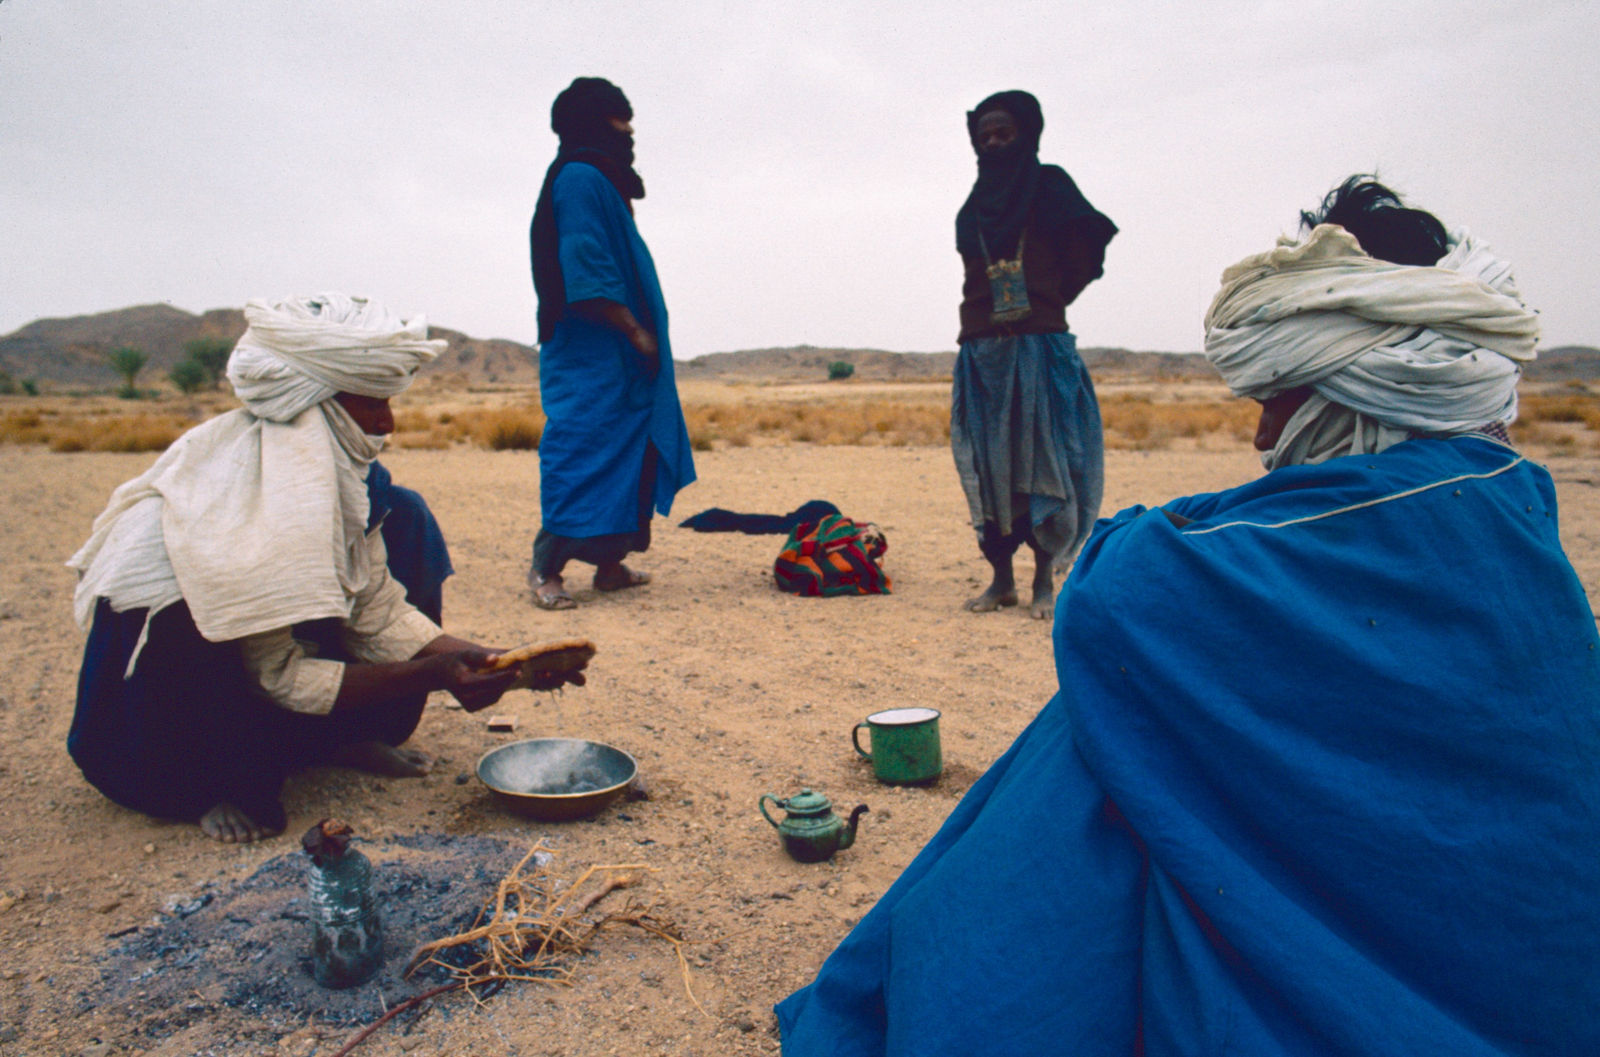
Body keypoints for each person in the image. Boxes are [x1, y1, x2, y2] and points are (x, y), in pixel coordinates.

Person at [776, 178, 1600, 1054]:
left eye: (1277, 397)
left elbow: (1107, 596)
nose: (1259, 438)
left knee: (1112, 738)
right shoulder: (1515, 502)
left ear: (1354, 394)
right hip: (1544, 979)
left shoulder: (1286, 548)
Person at [66, 294, 576, 844]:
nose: (389, 422)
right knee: (183, 618)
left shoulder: (342, 484)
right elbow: (277, 675)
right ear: (316, 407)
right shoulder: (249, 499)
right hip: (177, 699)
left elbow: (378, 612)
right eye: (373, 403)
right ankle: (200, 786)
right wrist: (432, 676)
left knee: (404, 513)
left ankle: (341, 736)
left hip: (265, 674)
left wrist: (496, 661)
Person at [527, 76, 695, 610]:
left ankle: (610, 566)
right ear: (593, 123)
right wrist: (633, 328)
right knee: (580, 450)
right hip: (590, 351)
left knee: (629, 453)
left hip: (618, 355)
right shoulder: (578, 178)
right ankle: (546, 570)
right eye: (618, 119)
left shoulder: (603, 182)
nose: (628, 130)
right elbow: (584, 266)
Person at [951, 90, 1117, 618]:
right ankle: (1001, 580)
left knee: (1048, 463)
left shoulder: (1050, 188)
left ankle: (1044, 580)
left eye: (1005, 133)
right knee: (988, 467)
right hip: (981, 350)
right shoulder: (973, 207)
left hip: (1039, 347)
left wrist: (1053, 296)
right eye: (985, 137)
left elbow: (1091, 240)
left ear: (1028, 133)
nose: (994, 144)